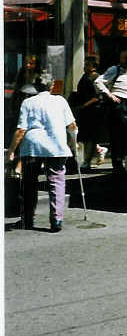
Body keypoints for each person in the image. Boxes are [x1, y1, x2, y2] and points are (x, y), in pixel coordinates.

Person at [6, 72, 77, 232]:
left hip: (33, 147)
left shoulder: (28, 103)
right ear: (52, 85)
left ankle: (28, 219)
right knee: (56, 182)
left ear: (35, 87)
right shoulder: (61, 101)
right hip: (56, 146)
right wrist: (73, 144)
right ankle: (56, 220)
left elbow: (20, 130)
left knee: (29, 183)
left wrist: (11, 151)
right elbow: (72, 126)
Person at [95, 49, 127, 173]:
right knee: (118, 134)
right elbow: (98, 82)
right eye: (123, 57)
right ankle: (117, 162)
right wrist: (109, 94)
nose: (125, 60)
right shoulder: (115, 70)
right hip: (119, 104)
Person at [70, 55, 106, 172]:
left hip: (92, 111)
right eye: (85, 64)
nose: (84, 66)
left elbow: (97, 96)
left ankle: (87, 161)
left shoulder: (96, 78)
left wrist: (84, 105)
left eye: (87, 65)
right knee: (84, 136)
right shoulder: (85, 76)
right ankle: (99, 150)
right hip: (84, 111)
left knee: (89, 137)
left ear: (93, 66)